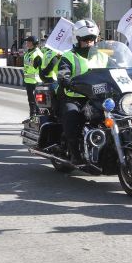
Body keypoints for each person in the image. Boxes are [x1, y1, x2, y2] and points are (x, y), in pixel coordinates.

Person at [56, 19, 108, 165]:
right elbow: (63, 73)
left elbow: (117, 70)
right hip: (74, 98)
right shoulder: (69, 56)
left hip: (98, 99)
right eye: (85, 39)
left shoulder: (103, 56)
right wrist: (65, 79)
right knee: (71, 118)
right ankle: (75, 153)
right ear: (77, 39)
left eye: (92, 39)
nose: (89, 42)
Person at [22, 35, 44, 122]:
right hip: (29, 81)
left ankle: (36, 117)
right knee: (31, 100)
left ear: (33, 43)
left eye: (28, 41)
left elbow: (41, 68)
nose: (26, 43)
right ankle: (33, 117)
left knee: (36, 101)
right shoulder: (28, 53)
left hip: (36, 81)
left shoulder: (37, 54)